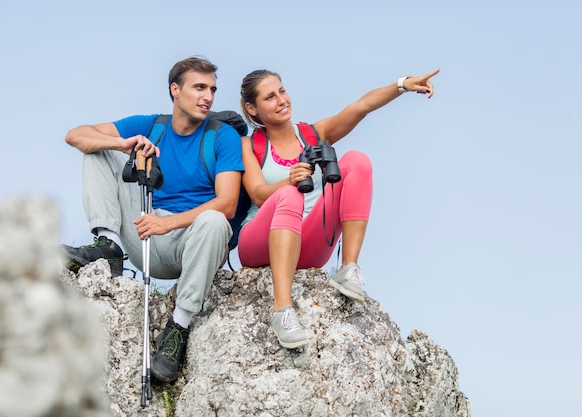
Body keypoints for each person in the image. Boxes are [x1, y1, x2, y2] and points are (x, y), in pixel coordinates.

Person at [61, 56, 244, 383]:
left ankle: (178, 329)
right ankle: (109, 246)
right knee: (96, 149)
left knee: (216, 221)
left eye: (213, 89)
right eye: (199, 87)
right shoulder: (152, 125)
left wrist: (168, 223)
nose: (208, 97)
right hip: (142, 233)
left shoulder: (223, 135)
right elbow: (76, 135)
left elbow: (228, 203)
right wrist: (122, 144)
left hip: (190, 242)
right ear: (175, 89)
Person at [238, 68, 439, 349]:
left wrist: (402, 85)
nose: (281, 100)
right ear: (252, 108)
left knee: (357, 160)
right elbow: (258, 194)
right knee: (290, 196)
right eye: (270, 97)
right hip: (260, 241)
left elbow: (361, 107)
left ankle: (349, 268)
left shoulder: (313, 134)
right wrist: (289, 180)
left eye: (282, 91)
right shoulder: (248, 145)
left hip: (308, 242)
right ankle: (282, 311)